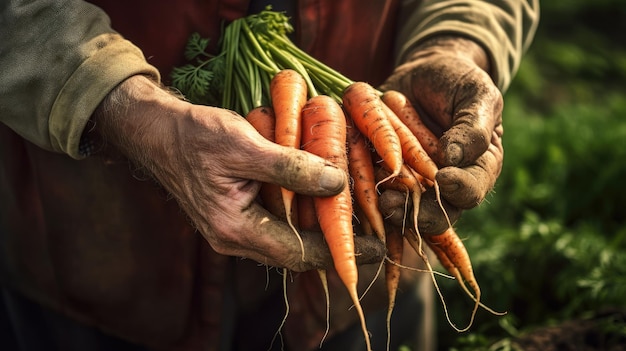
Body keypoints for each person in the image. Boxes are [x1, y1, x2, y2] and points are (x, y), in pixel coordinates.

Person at [0, 0, 539, 350]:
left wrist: (455, 42)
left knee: (368, 289)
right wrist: (120, 106)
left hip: (382, 243)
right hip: (93, 267)